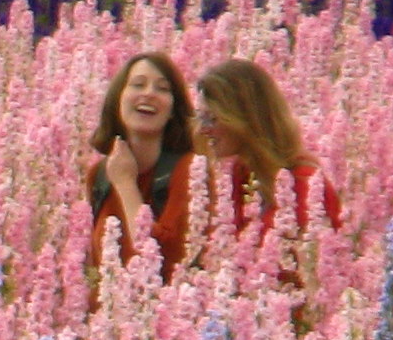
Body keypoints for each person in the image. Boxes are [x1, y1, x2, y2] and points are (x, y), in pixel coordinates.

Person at [195, 57, 342, 246]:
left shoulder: (305, 185)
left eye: (212, 118)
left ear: (245, 119)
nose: (203, 129)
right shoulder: (241, 177)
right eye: (201, 118)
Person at [87, 51, 198, 282]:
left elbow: (167, 260)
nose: (149, 94)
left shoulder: (189, 171)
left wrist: (126, 184)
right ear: (118, 98)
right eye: (138, 85)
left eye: (163, 89)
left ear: (173, 110)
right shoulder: (99, 176)